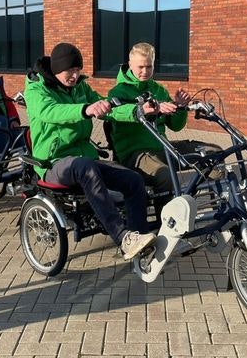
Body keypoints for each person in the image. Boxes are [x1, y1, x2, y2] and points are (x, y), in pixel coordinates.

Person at [24, 42, 156, 260]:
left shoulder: (80, 88)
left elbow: (107, 108)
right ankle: (124, 238)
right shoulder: (37, 89)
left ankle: (140, 239)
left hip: (84, 159)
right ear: (57, 69)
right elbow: (50, 111)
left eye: (78, 70)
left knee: (133, 179)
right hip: (53, 163)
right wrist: (85, 109)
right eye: (70, 71)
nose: (75, 76)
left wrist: (137, 110)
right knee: (84, 166)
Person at [108, 42, 222, 197]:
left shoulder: (158, 89)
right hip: (136, 154)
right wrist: (145, 109)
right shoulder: (118, 92)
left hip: (162, 148)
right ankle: (169, 218)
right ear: (130, 65)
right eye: (140, 67)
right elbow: (116, 112)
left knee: (214, 154)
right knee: (167, 177)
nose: (145, 71)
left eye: (149, 66)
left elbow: (175, 126)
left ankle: (208, 202)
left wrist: (180, 107)